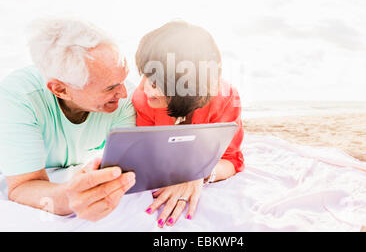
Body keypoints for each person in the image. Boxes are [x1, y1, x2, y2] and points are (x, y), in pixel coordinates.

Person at [0, 18, 136, 221]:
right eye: (110, 88)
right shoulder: (19, 98)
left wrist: (189, 177)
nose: (124, 93)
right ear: (61, 90)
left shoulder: (126, 99)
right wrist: (69, 199)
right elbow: (22, 187)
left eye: (123, 80)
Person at [132, 20, 244, 228]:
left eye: (154, 82)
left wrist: (199, 174)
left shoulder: (225, 98)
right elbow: (148, 155)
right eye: (143, 75)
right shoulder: (143, 100)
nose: (141, 87)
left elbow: (231, 160)